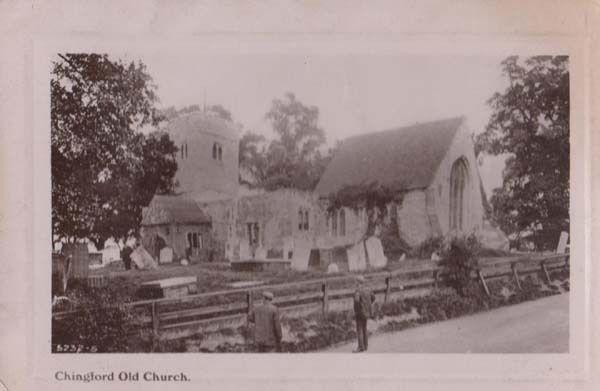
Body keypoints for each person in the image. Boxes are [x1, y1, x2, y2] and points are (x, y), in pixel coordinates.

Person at [353, 275, 376, 352]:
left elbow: (356, 301)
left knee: (359, 329)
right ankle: (365, 346)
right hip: (366, 312)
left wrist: (357, 309)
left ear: (358, 282)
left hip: (359, 312)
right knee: (364, 328)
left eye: (356, 281)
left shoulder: (358, 291)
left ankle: (360, 347)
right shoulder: (368, 289)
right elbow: (373, 298)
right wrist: (367, 305)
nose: (355, 283)